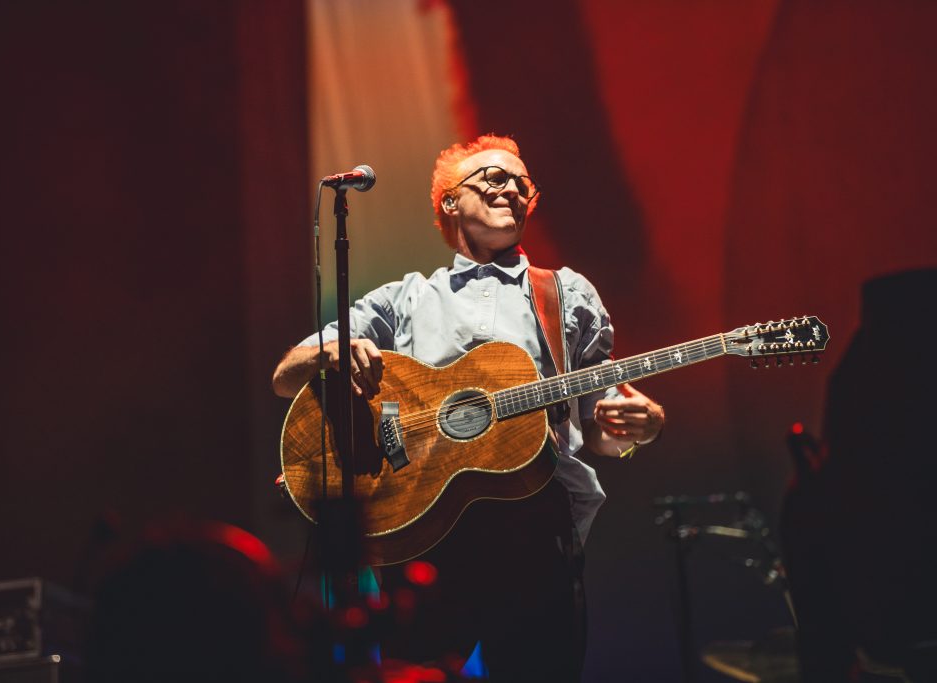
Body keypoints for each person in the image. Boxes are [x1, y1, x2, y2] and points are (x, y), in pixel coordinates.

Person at [272, 135, 665, 682]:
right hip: (424, 530)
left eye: (522, 183)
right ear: (450, 202)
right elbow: (285, 376)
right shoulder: (404, 298)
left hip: (536, 532)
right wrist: (331, 350)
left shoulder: (564, 295)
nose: (511, 188)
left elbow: (598, 429)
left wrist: (635, 428)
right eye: (494, 177)